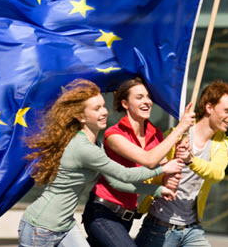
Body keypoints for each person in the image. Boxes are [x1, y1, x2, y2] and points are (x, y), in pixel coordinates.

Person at [18, 79, 184, 247]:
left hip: (66, 226)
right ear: (80, 116)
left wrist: (157, 190)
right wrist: (162, 168)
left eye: (103, 106)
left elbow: (116, 182)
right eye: (96, 109)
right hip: (41, 227)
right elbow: (125, 174)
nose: (104, 112)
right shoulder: (84, 148)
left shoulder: (95, 144)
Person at [82, 77, 195, 247]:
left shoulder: (155, 134)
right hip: (102, 213)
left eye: (149, 97)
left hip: (127, 217)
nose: (147, 101)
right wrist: (180, 128)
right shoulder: (113, 135)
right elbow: (148, 161)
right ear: (125, 104)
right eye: (139, 97)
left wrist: (181, 159)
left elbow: (163, 172)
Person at [135, 80, 228, 247]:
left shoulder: (225, 143)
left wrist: (191, 160)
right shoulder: (175, 136)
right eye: (227, 111)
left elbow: (217, 174)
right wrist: (163, 179)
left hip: (192, 229)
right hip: (160, 226)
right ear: (209, 107)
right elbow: (146, 174)